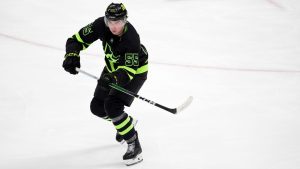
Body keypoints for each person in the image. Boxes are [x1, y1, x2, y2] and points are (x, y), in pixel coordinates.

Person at [62, 3, 148, 166]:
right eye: (111, 22)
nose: (114, 27)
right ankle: (125, 123)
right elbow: (75, 40)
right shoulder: (100, 25)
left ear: (125, 21)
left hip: (135, 72)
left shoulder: (131, 39)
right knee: (97, 107)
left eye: (119, 22)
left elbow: (128, 72)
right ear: (106, 20)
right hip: (112, 68)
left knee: (112, 105)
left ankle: (133, 144)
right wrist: (72, 55)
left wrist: (112, 78)